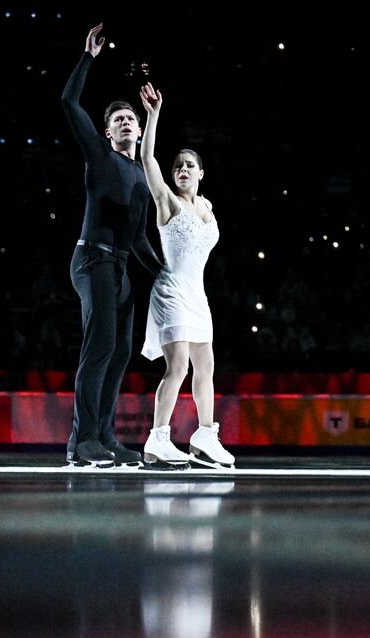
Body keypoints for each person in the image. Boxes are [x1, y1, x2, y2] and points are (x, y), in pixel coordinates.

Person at [60, 23, 164, 468]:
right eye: (118, 119)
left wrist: (164, 269)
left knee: (120, 351)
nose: (126, 122)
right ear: (107, 132)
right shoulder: (99, 157)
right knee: (100, 345)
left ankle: (104, 436)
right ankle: (81, 441)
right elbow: (68, 102)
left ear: (139, 133)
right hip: (92, 260)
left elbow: (139, 237)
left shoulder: (141, 176)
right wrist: (88, 57)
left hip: (119, 268)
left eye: (131, 119)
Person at [135, 82, 235, 469]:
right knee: (177, 365)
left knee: (205, 366)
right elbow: (147, 159)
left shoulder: (207, 207)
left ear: (201, 173)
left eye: (188, 165)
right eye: (177, 165)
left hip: (198, 294)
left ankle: (204, 436)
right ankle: (158, 439)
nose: (181, 170)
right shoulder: (167, 202)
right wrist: (154, 114)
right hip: (170, 290)